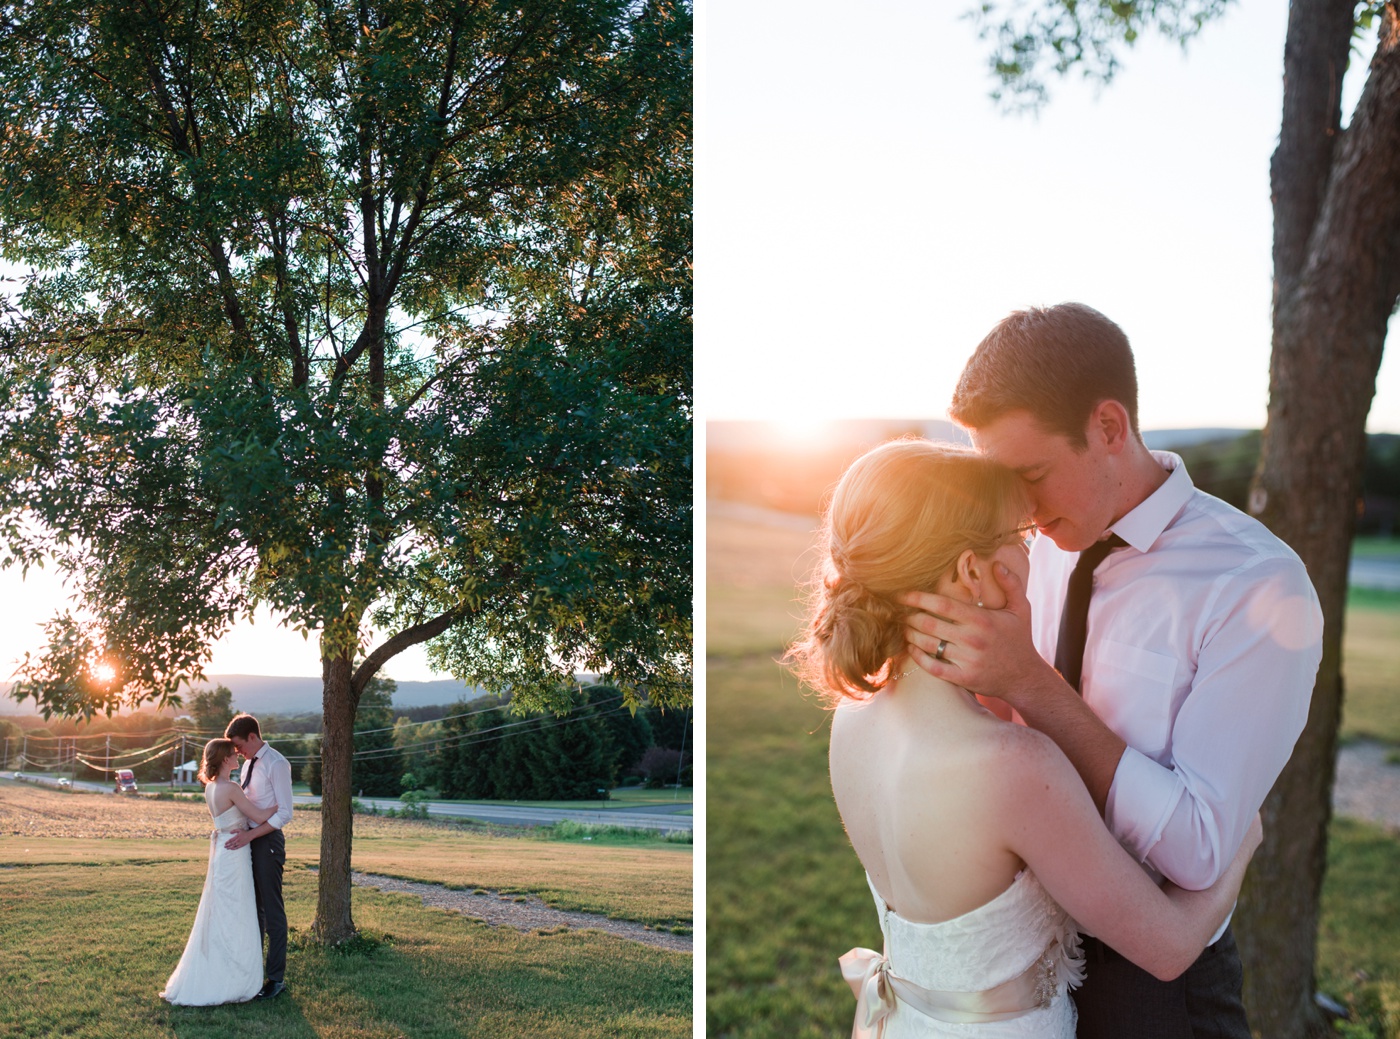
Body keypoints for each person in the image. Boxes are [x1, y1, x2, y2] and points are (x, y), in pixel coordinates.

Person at [900, 304, 1324, 1038]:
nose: (1021, 513)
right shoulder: (1035, 544)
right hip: (1018, 958)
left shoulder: (1256, 586)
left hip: (1154, 983)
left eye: (1032, 474)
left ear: (1108, 427)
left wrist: (1032, 683)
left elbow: (1196, 846)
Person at [788, 439, 1262, 1038]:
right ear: (971, 570)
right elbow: (1168, 948)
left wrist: (1015, 666)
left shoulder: (853, 717)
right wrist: (1240, 837)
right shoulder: (1015, 767)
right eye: (1019, 534)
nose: (1031, 547)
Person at [161, 738, 282, 1005]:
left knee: (222, 913)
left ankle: (219, 969)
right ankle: (233, 976)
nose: (237, 756)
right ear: (225, 759)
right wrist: (281, 806)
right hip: (235, 854)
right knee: (237, 914)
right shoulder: (231, 787)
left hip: (222, 854)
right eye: (233, 754)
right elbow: (260, 817)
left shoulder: (211, 788)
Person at [223, 713, 294, 1001]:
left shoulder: (277, 763)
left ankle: (275, 979)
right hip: (249, 841)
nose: (237, 752)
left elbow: (285, 813)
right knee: (254, 909)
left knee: (272, 912)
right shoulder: (250, 763)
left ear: (253, 736)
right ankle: (252, 972)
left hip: (268, 843)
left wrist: (250, 836)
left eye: (239, 746)